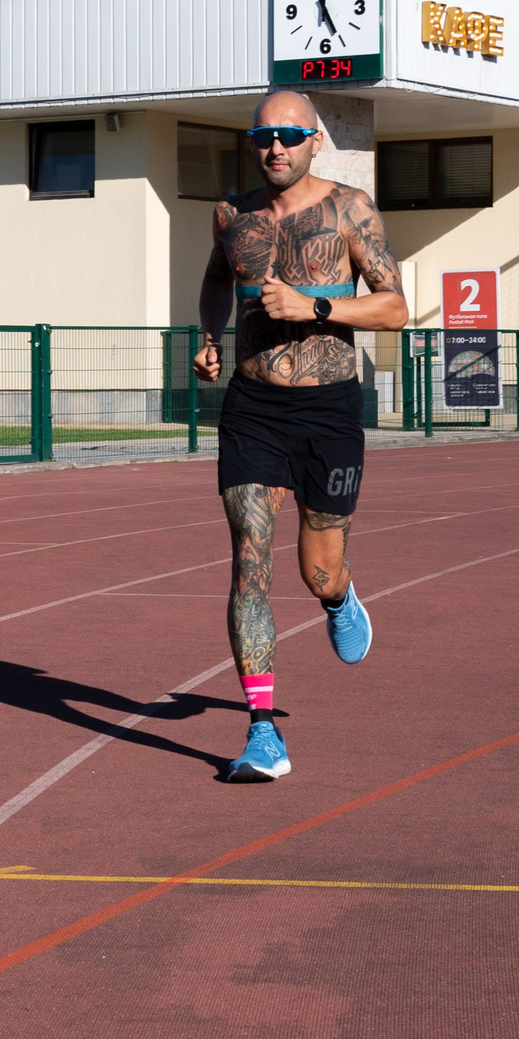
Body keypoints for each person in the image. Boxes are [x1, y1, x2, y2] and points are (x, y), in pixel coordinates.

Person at [192, 90, 408, 781]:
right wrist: (208, 336)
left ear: (315, 140)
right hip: (253, 406)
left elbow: (397, 307)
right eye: (263, 135)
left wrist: (315, 303)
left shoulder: (351, 208)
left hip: (328, 410)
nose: (275, 146)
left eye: (289, 134)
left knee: (317, 568)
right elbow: (216, 279)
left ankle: (340, 597)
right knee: (249, 558)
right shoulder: (232, 214)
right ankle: (262, 732)